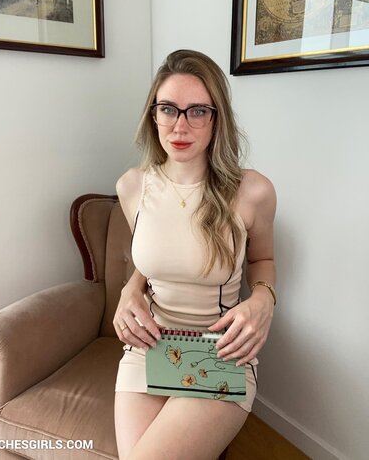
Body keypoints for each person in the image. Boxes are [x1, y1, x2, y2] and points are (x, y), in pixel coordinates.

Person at [113, 49, 277, 460]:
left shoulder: (252, 191)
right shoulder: (132, 187)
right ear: (153, 115)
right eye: (168, 109)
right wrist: (130, 289)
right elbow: (154, 259)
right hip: (149, 345)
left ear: (217, 118)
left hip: (219, 349)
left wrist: (263, 298)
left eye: (198, 111)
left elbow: (262, 261)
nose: (180, 125)